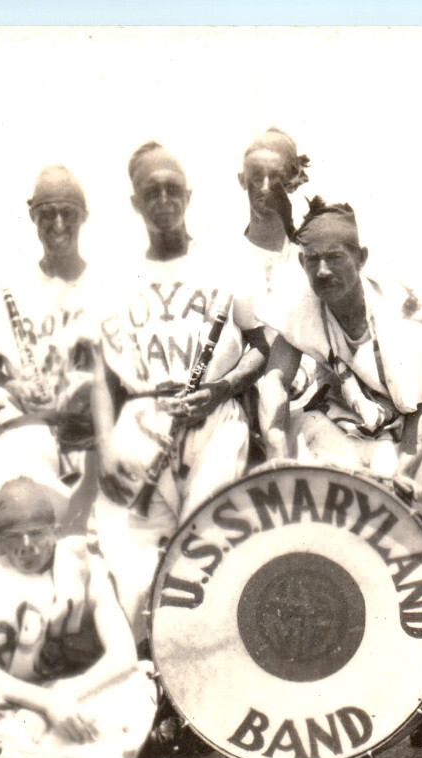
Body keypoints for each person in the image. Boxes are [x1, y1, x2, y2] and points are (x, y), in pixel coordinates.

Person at [88, 141, 267, 645]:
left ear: (187, 196)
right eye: (151, 192)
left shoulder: (228, 262)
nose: (163, 199)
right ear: (135, 204)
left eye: (172, 189)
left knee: (207, 551)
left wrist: (220, 388)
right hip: (142, 416)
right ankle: (148, 678)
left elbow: (261, 348)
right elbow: (102, 372)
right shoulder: (113, 276)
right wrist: (103, 447)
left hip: (212, 418)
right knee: (134, 564)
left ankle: (202, 673)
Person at [0, 478, 159, 758]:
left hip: (79, 691)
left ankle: (17, 752)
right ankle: (67, 753)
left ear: (56, 530)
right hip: (15, 700)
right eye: (14, 536)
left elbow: (123, 654)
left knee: (135, 689)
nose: (28, 546)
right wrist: (46, 703)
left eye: (37, 534)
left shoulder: (86, 570)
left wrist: (64, 695)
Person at [255, 198, 422, 501]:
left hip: (413, 428)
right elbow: (275, 380)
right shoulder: (301, 303)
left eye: (334, 257)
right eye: (312, 259)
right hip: (346, 420)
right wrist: (275, 446)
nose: (322, 271)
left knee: (391, 500)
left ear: (360, 258)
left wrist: (402, 472)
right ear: (301, 262)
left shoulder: (401, 313)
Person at [0, 164, 99, 547]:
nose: (58, 224)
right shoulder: (13, 284)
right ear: (32, 217)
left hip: (86, 426)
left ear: (83, 216)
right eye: (47, 214)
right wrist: (14, 384)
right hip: (30, 424)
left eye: (67, 213)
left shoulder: (105, 282)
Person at [228, 127, 318, 453]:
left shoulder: (313, 261)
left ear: (292, 182)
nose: (265, 188)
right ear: (242, 180)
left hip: (304, 406)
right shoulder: (222, 258)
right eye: (255, 177)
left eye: (276, 178)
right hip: (234, 408)